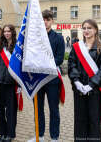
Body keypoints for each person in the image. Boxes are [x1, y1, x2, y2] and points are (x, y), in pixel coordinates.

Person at [28, 10, 65, 142]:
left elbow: (60, 59)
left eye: (48, 19)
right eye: (43, 19)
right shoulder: (34, 38)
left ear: (52, 21)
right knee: (38, 109)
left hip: (52, 79)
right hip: (37, 79)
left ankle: (54, 137)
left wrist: (43, 64)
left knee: (54, 109)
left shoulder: (58, 38)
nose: (45, 22)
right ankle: (40, 135)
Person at [68, 19, 101, 142]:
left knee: (94, 120)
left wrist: (92, 84)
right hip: (80, 91)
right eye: (84, 28)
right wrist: (76, 81)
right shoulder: (76, 47)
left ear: (95, 30)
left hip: (95, 91)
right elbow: (71, 65)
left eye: (89, 28)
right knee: (80, 120)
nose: (86, 31)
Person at [0, 24, 18, 142]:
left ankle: (10, 134)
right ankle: (2, 132)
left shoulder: (18, 47)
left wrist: (20, 84)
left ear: (12, 32)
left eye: (8, 31)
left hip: (11, 83)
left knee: (11, 111)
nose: (6, 33)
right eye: (5, 31)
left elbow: (21, 68)